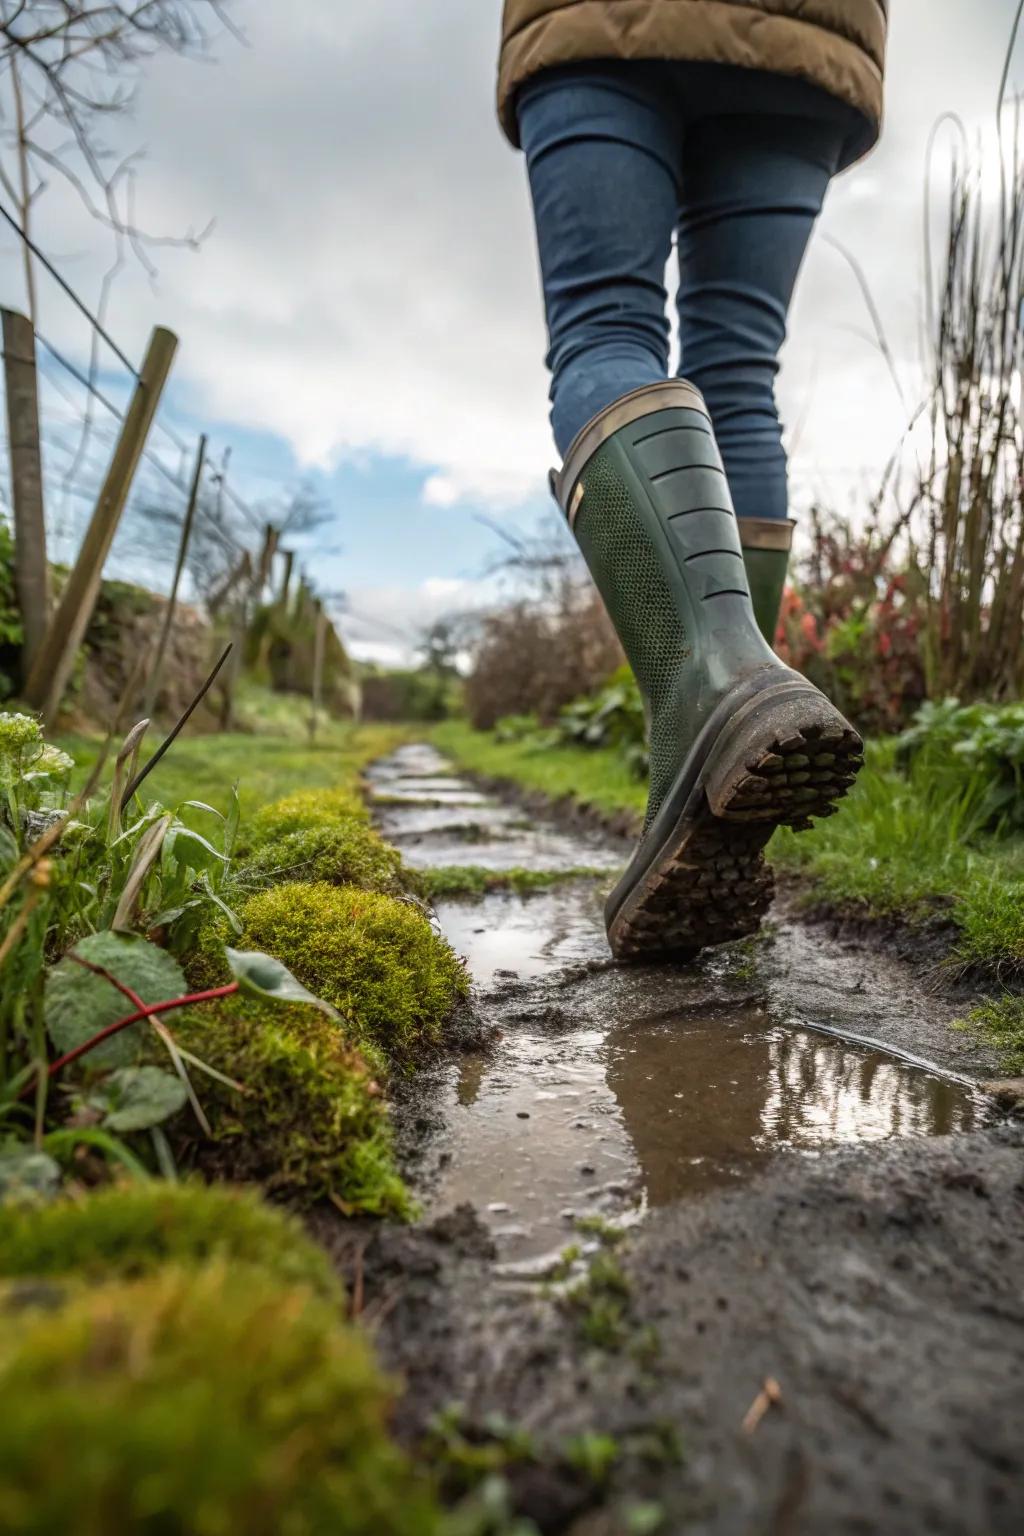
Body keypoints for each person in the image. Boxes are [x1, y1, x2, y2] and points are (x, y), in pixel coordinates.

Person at [498, 0, 886, 961]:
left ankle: (717, 685)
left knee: (606, 327)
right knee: (740, 372)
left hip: (601, 25)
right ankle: (722, 726)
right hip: (809, 39)